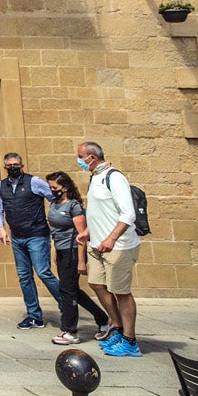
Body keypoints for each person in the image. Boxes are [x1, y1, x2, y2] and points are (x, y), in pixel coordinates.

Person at [76, 141, 143, 358]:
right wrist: (87, 231)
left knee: (121, 292)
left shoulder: (114, 177)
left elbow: (127, 214)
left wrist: (112, 238)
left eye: (80, 157)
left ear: (91, 158)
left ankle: (130, 340)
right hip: (96, 244)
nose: (78, 161)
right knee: (96, 283)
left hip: (118, 246)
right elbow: (99, 210)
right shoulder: (95, 177)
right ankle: (118, 326)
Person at [0, 152, 61, 329]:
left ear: (22, 166)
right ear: (5, 167)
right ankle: (34, 315)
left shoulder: (34, 182)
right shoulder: (1, 186)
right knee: (24, 276)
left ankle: (67, 305)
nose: (13, 168)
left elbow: (54, 198)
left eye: (16, 165)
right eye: (10, 166)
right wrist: (0, 228)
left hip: (37, 234)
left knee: (43, 272)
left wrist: (55, 220)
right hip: (17, 237)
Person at [44, 171, 113, 346]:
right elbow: (55, 232)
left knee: (67, 292)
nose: (52, 191)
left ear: (65, 188)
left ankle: (70, 331)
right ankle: (103, 318)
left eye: (55, 187)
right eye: (50, 187)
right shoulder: (54, 203)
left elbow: (82, 236)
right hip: (61, 251)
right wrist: (55, 252)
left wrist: (81, 261)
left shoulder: (73, 206)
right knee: (72, 290)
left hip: (73, 251)